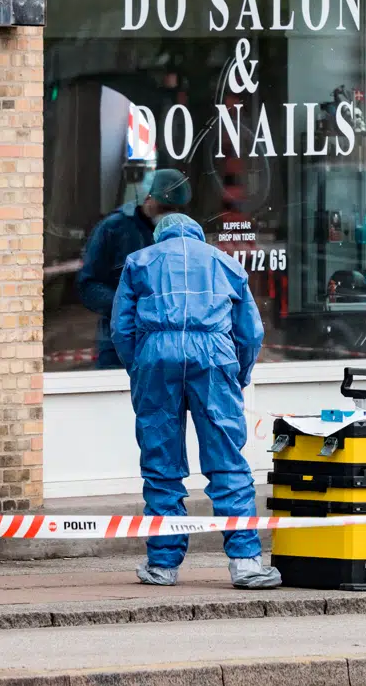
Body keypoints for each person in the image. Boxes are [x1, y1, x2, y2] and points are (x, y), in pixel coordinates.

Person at [111, 213, 278, 589]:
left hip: (157, 352)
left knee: (161, 460)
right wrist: (241, 373)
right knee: (227, 460)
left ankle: (162, 566)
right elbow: (250, 332)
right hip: (214, 353)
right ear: (199, 234)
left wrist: (138, 368)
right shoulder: (225, 263)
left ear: (161, 234)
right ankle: (246, 563)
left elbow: (121, 328)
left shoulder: (140, 261)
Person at [77, 168, 192, 369]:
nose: (169, 214)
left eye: (175, 209)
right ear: (148, 197)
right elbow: (88, 285)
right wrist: (128, 306)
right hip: (119, 342)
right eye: (164, 207)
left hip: (166, 342)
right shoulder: (114, 228)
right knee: (115, 396)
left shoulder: (183, 231)